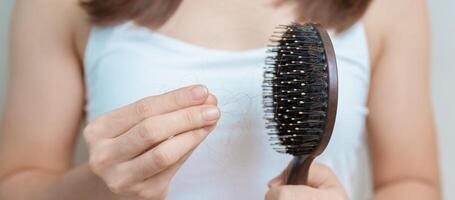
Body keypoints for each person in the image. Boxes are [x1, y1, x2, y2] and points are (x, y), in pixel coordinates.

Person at [0, 0, 440, 199]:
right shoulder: (58, 5)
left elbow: (413, 183)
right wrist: (102, 187)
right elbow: (14, 183)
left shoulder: (391, 6)